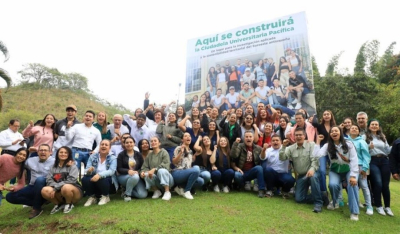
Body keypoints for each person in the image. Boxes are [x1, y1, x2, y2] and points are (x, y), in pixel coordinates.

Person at [314, 127, 360, 220]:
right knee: (332, 185)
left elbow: (354, 159)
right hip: (335, 170)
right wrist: (318, 142)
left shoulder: (349, 144)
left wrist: (353, 176)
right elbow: (317, 155)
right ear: (330, 134)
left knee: (352, 185)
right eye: (332, 131)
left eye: (336, 131)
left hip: (348, 170)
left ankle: (354, 212)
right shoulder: (328, 145)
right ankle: (335, 202)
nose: (334, 133)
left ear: (340, 133)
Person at [6, 144, 55, 219]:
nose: (43, 152)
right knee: (9, 196)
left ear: (50, 152)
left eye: (45, 150)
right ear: (37, 152)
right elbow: (18, 162)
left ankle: (36, 208)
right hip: (32, 186)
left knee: (40, 179)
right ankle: (40, 201)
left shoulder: (55, 162)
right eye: (41, 150)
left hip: (46, 186)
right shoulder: (31, 160)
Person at [280, 128, 323, 213]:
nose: (298, 137)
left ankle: (318, 203)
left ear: (304, 136)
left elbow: (315, 160)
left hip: (313, 171)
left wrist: (312, 170)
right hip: (302, 176)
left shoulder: (311, 145)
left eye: (300, 135)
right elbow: (282, 158)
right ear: (294, 137)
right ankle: (322, 196)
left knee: (313, 178)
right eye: (296, 135)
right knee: (299, 199)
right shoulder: (290, 148)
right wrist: (283, 146)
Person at [41, 146, 82, 214]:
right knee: (44, 190)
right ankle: (58, 204)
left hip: (73, 191)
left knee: (66, 187)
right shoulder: (53, 167)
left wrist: (56, 187)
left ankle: (69, 204)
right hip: (58, 190)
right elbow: (49, 179)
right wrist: (55, 187)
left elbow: (71, 180)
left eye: (66, 153)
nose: (63, 154)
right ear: (57, 154)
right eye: (61, 152)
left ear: (69, 155)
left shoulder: (72, 166)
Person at [365, 119, 393, 216]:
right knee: (378, 183)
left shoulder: (382, 137)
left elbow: (388, 150)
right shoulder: (365, 137)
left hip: (385, 160)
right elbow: (363, 151)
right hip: (373, 161)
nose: (374, 126)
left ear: (378, 126)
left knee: (385, 185)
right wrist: (369, 147)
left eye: (376, 124)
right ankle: (379, 206)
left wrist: (395, 146)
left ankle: (387, 207)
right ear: (369, 126)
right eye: (372, 124)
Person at [82, 140, 118, 206]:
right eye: (102, 144)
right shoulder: (92, 156)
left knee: (102, 179)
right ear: (99, 147)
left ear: (109, 148)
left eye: (106, 145)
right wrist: (89, 171)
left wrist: (99, 175)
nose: (103, 146)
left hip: (108, 182)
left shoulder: (113, 158)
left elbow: (111, 171)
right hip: (94, 179)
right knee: (85, 179)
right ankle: (92, 197)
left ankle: (106, 196)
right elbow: (86, 170)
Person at [312, 110, 337, 206]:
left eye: (328, 114)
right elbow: (313, 122)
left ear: (331, 116)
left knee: (334, 170)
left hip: (332, 151)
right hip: (322, 151)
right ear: (323, 117)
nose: (326, 116)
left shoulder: (335, 127)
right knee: (322, 171)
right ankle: (324, 191)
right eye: (324, 114)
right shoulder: (319, 126)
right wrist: (314, 115)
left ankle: (336, 194)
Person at [347, 125, 373, 215]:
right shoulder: (346, 141)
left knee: (364, 185)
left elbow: (366, 156)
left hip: (361, 166)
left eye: (356, 129)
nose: (354, 129)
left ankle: (369, 206)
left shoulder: (362, 142)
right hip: (349, 166)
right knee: (353, 185)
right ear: (349, 130)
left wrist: (365, 168)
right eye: (352, 128)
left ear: (359, 132)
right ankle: (356, 202)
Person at [230, 131, 266, 197]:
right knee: (236, 175)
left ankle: (261, 190)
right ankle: (241, 186)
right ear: (244, 138)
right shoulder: (240, 146)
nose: (248, 138)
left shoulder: (258, 148)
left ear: (253, 138)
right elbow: (233, 155)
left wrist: (264, 150)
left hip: (251, 171)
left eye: (250, 137)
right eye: (246, 137)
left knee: (259, 168)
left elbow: (263, 158)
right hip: (241, 171)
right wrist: (235, 144)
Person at [140, 136, 174, 201]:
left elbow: (166, 164)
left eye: (155, 141)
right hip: (157, 180)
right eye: (151, 141)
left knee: (161, 170)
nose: (153, 142)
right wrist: (143, 172)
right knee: (147, 173)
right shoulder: (149, 155)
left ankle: (167, 192)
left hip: (168, 180)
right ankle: (156, 191)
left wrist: (155, 169)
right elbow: (144, 167)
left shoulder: (164, 152)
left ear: (159, 143)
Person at [171, 133, 203, 199]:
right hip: (177, 173)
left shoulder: (191, 151)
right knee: (196, 168)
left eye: (189, 136)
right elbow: (174, 162)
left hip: (186, 173)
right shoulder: (179, 148)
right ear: (182, 140)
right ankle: (187, 191)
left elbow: (189, 165)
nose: (188, 137)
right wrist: (181, 153)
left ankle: (180, 187)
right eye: (185, 136)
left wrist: (195, 155)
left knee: (200, 181)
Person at [117, 137, 148, 202]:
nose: (129, 144)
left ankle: (125, 191)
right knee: (135, 176)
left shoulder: (138, 154)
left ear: (134, 144)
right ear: (124, 144)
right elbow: (119, 168)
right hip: (123, 176)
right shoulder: (121, 155)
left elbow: (142, 167)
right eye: (127, 142)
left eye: (131, 142)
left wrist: (138, 172)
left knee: (143, 195)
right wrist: (128, 171)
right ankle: (127, 195)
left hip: (136, 176)